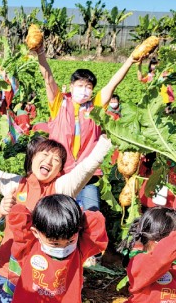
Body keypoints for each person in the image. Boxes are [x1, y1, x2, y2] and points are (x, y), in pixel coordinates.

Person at [0, 128, 113, 303]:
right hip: (10, 271)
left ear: (61, 169)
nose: (49, 160)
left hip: (44, 280)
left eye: (57, 159)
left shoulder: (61, 188)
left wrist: (108, 140)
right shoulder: (15, 184)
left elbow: (87, 167)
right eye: (44, 154)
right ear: (32, 156)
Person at [33, 42, 136, 211]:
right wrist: (40, 53)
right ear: (71, 86)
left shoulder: (95, 106)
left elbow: (113, 83)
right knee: (59, 215)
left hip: (88, 175)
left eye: (88, 87)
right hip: (61, 172)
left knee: (91, 213)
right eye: (80, 86)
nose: (84, 90)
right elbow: (48, 78)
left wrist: (130, 60)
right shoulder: (59, 103)